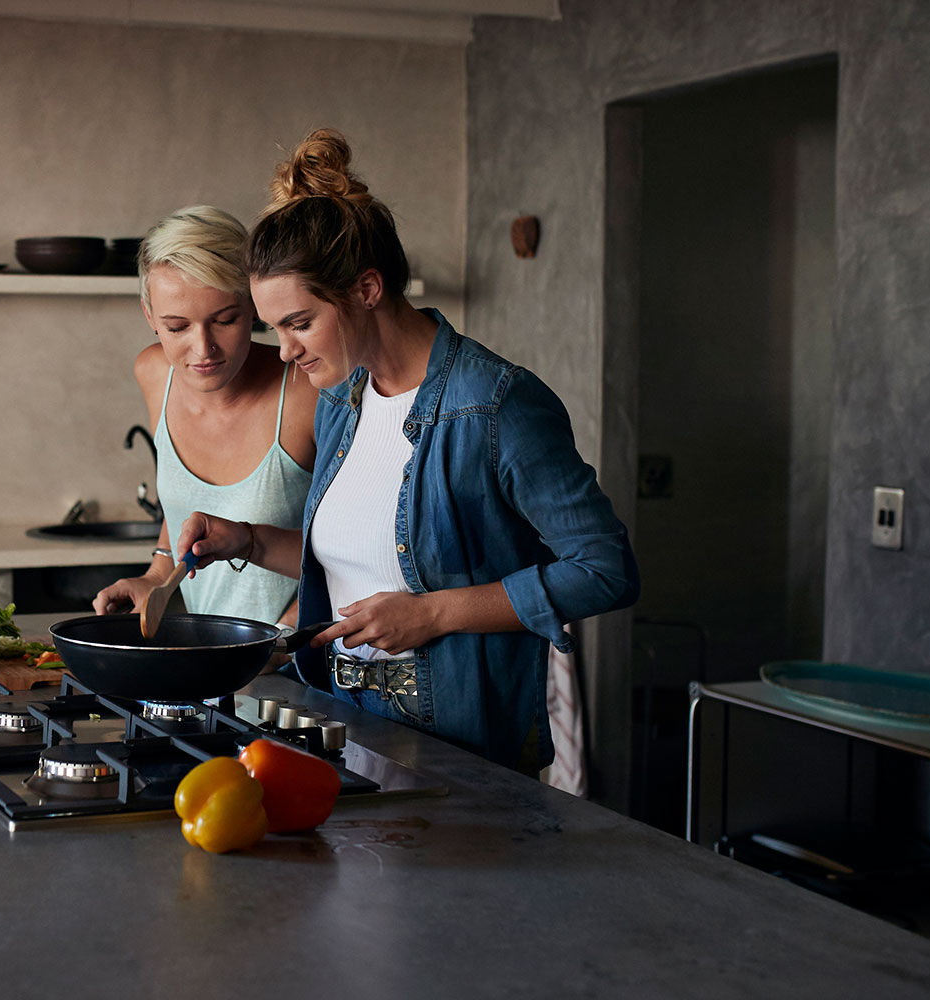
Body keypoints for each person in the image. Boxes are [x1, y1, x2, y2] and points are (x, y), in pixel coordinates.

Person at [174, 130, 638, 772]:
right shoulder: (343, 399)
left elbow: (605, 569)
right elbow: (359, 569)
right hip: (342, 725)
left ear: (367, 288)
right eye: (273, 328)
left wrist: (433, 614)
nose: (284, 351)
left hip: (458, 742)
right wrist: (248, 542)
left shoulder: (495, 403)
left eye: (300, 323)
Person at [91, 206, 317, 626]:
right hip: (212, 663)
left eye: (225, 320)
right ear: (150, 316)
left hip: (301, 660)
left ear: (252, 304)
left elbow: (359, 551)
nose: (203, 350)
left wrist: (284, 640)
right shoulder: (155, 373)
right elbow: (182, 508)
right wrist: (157, 576)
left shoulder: (308, 388)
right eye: (177, 327)